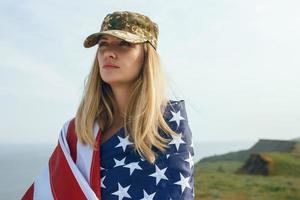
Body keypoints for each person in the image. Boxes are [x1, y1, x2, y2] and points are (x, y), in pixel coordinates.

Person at [21, 10, 195, 200]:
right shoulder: (77, 132)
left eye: (124, 44)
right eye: (103, 44)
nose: (109, 53)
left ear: (146, 56)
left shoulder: (168, 124)